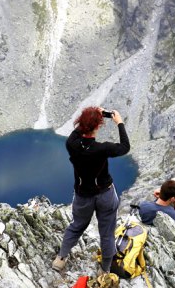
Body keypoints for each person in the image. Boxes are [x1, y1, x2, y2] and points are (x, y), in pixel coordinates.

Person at [52, 107, 130, 272]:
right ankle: (106, 269)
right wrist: (120, 123)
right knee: (107, 233)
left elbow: (77, 131)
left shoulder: (71, 144)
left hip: (83, 196)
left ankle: (61, 258)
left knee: (77, 225)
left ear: (81, 123)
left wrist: (91, 118)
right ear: (98, 126)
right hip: (105, 195)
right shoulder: (102, 148)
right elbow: (125, 147)